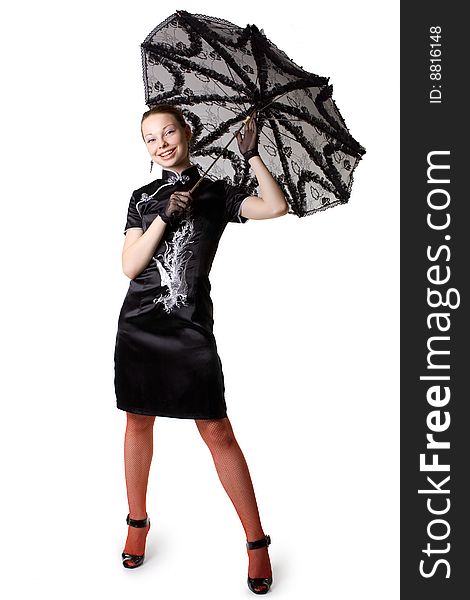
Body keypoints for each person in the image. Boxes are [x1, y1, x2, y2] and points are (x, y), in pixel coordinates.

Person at [114, 103, 288, 594]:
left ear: (187, 131)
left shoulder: (216, 191)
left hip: (190, 327)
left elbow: (274, 207)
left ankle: (257, 543)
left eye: (168, 131)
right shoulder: (142, 197)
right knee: (137, 421)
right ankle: (137, 523)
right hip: (139, 327)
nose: (162, 143)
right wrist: (162, 218)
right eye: (150, 138)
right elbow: (129, 266)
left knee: (217, 431)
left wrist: (252, 157)